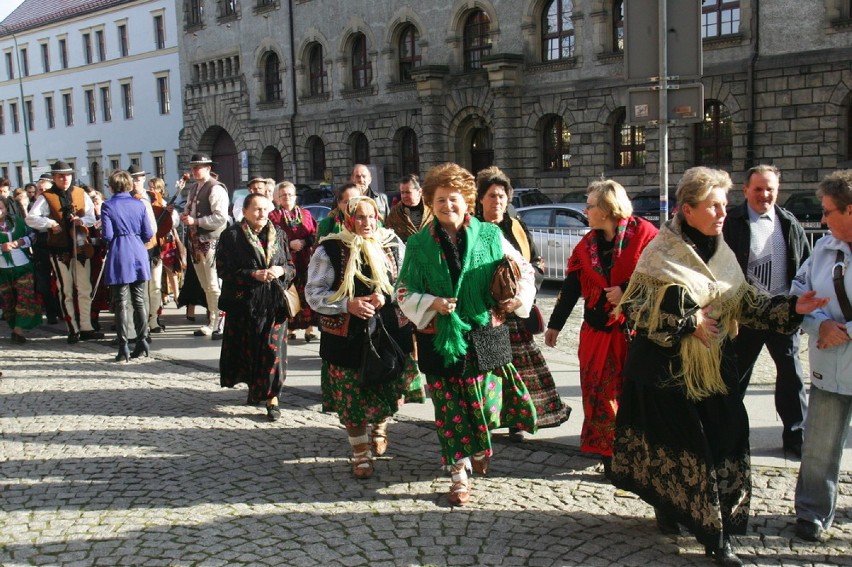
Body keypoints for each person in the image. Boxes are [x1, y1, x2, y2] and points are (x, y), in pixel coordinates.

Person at [610, 167, 826, 566]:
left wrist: (793, 306)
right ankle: (711, 535)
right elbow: (636, 311)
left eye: (724, 204)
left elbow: (745, 302)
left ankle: (708, 516)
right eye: (713, 205)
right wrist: (687, 323)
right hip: (664, 371)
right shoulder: (660, 253)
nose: (722, 212)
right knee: (685, 447)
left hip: (714, 368)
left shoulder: (722, 253)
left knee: (729, 434)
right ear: (687, 210)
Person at [396, 162, 538, 506]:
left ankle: (479, 441)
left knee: (487, 407)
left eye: (454, 199)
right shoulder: (418, 245)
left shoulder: (491, 235)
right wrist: (432, 302)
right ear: (431, 202)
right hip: (439, 338)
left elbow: (524, 270)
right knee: (449, 411)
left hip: (484, 334)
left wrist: (519, 298)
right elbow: (402, 291)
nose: (448, 206)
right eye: (441, 200)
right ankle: (458, 473)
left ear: (467, 200)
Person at [545, 179, 657, 473]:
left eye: (591, 205)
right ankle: (607, 451)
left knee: (628, 394)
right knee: (598, 393)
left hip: (631, 332)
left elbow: (662, 278)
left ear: (607, 209)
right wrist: (555, 325)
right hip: (595, 332)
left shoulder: (645, 236)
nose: (586, 209)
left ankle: (630, 450)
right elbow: (570, 286)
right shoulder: (587, 244)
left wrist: (625, 289)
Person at [306, 196, 419, 479]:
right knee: (352, 399)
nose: (366, 222)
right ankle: (360, 454)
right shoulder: (329, 249)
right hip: (347, 338)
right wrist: (348, 304)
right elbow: (313, 295)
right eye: (359, 217)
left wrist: (387, 295)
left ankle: (380, 426)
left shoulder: (393, 244)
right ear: (348, 219)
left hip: (390, 333)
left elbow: (409, 283)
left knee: (384, 387)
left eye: (371, 216)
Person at [476, 166, 570, 442]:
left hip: (516, 311)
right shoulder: (472, 228)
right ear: (481, 199)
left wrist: (520, 294)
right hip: (486, 312)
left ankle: (518, 420)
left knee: (521, 368)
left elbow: (536, 263)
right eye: (492, 196)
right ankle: (490, 418)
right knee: (490, 368)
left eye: (503, 196)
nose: (498, 201)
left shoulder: (516, 226)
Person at [723, 164, 810, 458]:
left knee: (792, 377)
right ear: (745, 190)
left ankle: (796, 438)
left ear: (778, 190)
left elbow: (805, 267)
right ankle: (729, 437)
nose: (764, 194)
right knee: (735, 378)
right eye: (758, 188)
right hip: (744, 316)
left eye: (770, 188)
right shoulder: (730, 222)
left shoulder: (788, 222)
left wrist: (797, 308)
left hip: (782, 314)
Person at [791, 170, 852, 543]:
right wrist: (817, 325)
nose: (823, 219)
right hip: (829, 366)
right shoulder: (823, 249)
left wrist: (844, 331)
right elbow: (799, 293)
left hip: (840, 348)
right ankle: (812, 512)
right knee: (818, 447)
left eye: (829, 212)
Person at [217, 193, 295, 421]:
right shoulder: (231, 236)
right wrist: (253, 274)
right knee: (250, 349)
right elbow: (223, 270)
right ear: (245, 211)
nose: (262, 214)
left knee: (273, 350)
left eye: (265, 209)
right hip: (245, 304)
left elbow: (290, 266)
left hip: (275, 304)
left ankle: (272, 397)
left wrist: (281, 271)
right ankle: (254, 386)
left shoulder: (279, 233)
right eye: (257, 209)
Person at [25, 160, 104, 343]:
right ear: (54, 178)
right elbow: (31, 218)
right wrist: (50, 223)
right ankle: (72, 328)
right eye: (60, 176)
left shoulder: (80, 193)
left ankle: (86, 326)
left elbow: (92, 216)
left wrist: (82, 221)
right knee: (66, 289)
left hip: (81, 246)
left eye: (68, 175)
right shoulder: (46, 197)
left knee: (85, 288)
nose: (65, 179)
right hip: (59, 249)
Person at [101, 170, 154, 362]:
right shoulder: (139, 204)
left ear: (112, 187)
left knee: (121, 302)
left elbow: (106, 235)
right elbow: (148, 232)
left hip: (119, 250)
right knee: (139, 299)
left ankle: (123, 344)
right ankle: (142, 340)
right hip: (138, 250)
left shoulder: (107, 205)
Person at [180, 154, 229, 337]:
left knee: (214, 284)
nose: (194, 170)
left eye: (198, 167)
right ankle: (212, 321)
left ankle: (220, 323)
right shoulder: (193, 188)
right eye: (193, 167)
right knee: (205, 285)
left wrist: (196, 221)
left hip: (211, 242)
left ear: (208, 168)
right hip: (196, 242)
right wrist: (185, 215)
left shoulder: (215, 189)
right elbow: (188, 208)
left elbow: (220, 218)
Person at [269, 181, 319, 342]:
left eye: (290, 194)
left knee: (307, 296)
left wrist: (304, 242)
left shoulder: (305, 214)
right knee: (290, 296)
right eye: (283, 195)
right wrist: (289, 245)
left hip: (306, 263)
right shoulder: (273, 216)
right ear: (277, 198)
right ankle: (290, 328)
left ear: (295, 196)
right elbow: (270, 239)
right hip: (285, 263)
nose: (287, 198)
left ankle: (310, 328)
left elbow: (314, 235)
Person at [0, 196, 41, 343]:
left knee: (25, 298)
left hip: (23, 267)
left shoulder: (16, 221)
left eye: (1, 208)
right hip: (2, 270)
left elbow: (32, 235)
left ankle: (18, 330)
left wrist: (22, 241)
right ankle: (14, 328)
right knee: (8, 302)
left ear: (6, 208)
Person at [29, 174, 60, 325]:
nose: (42, 193)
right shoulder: (32, 207)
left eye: (45, 190)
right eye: (39, 190)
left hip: (56, 243)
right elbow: (30, 225)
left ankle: (61, 310)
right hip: (40, 244)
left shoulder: (55, 203)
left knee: (60, 279)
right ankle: (51, 312)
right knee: (43, 282)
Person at [384, 174, 433, 243]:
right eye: (402, 192)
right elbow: (388, 234)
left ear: (419, 192)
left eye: (408, 192)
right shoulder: (396, 212)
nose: (404, 196)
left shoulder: (431, 209)